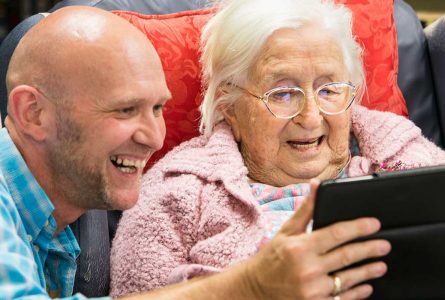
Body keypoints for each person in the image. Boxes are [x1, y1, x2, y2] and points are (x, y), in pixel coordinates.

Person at [0, 5, 389, 300]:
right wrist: (253, 283)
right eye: (124, 109)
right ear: (33, 114)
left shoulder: (54, 232)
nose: (155, 138)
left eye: (157, 109)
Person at [109, 0, 445, 298]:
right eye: (282, 94)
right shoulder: (175, 193)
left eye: (329, 90)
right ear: (229, 104)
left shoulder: (411, 157)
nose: (311, 118)